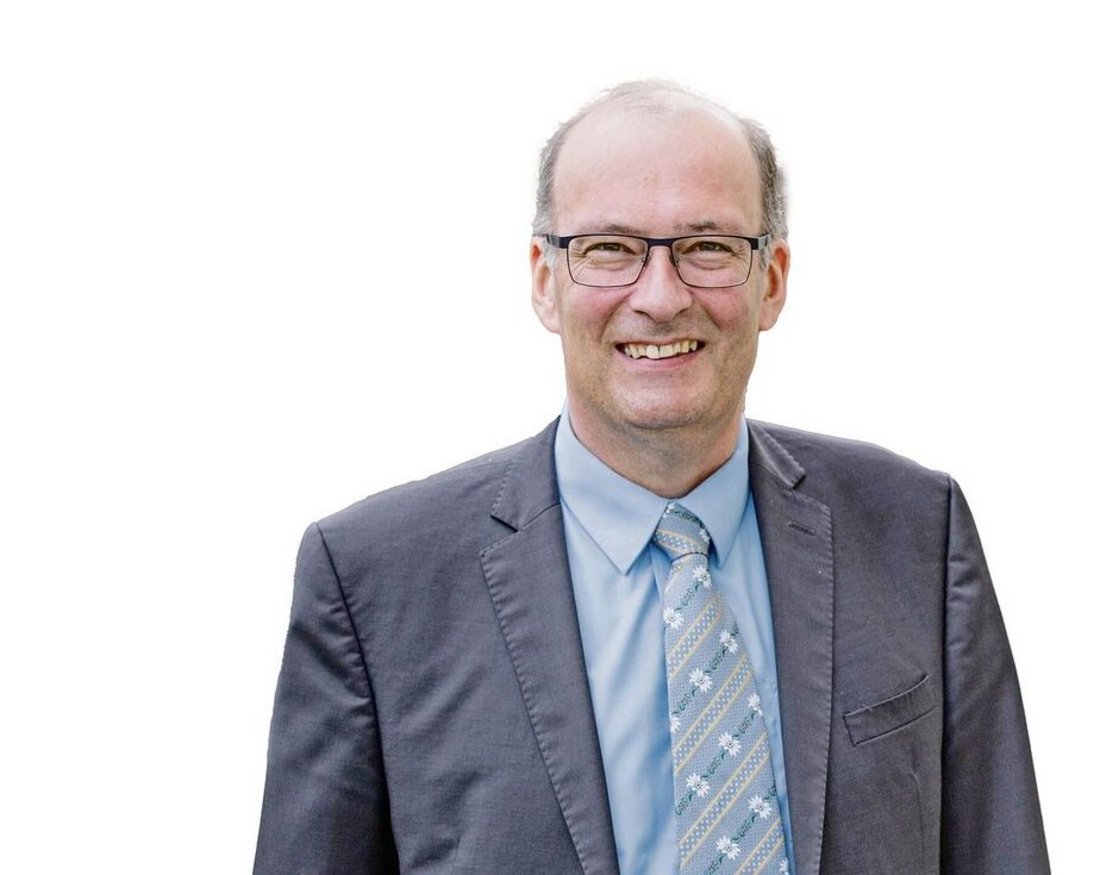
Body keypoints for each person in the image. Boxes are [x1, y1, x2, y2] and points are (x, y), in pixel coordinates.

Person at [254, 80, 1051, 874]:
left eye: (709, 247)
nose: (662, 297)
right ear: (545, 279)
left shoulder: (918, 532)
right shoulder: (372, 582)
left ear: (772, 279)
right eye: (609, 248)